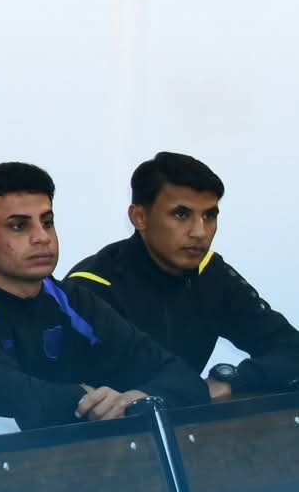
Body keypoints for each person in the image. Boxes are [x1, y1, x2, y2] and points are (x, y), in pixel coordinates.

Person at [0, 162, 212, 429]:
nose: (42, 238)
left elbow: (183, 379)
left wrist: (136, 399)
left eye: (47, 222)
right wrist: (93, 397)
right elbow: (21, 406)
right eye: (19, 226)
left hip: (48, 467)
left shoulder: (73, 301)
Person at [68, 152, 299, 395]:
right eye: (181, 214)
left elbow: (291, 348)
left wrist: (233, 380)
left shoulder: (210, 272)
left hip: (182, 415)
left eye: (209, 216)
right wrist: (189, 391)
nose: (200, 232)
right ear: (139, 217)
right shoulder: (90, 287)